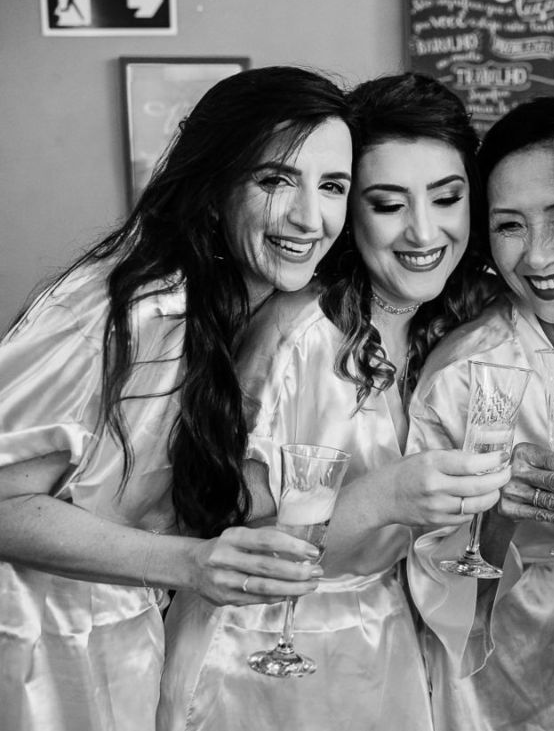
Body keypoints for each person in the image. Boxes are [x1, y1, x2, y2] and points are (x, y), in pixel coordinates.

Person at [0, 66, 352, 731]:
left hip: (120, 644)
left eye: (332, 185)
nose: (311, 216)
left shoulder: (249, 312)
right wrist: (188, 563)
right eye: (275, 180)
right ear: (215, 187)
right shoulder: (123, 312)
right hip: (35, 660)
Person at [157, 73, 507, 731]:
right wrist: (382, 498)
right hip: (262, 654)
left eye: (446, 198)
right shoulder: (300, 333)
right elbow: (236, 544)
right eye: (388, 203)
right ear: (350, 214)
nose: (423, 231)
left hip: (383, 640)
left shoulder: (455, 323)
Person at [405, 97, 554, 731]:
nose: (538, 257)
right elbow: (434, 586)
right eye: (510, 226)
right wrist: (496, 512)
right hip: (514, 676)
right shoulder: (464, 374)